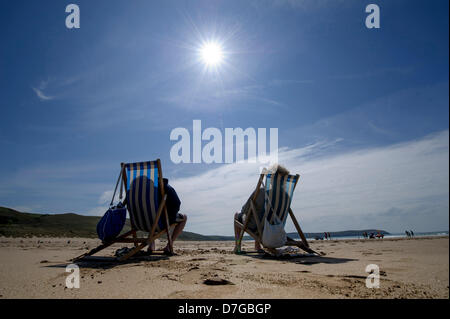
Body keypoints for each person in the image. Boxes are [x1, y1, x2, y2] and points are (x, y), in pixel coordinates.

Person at [234, 164, 290, 253]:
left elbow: (245, 209)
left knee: (238, 214)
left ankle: (238, 245)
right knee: (260, 215)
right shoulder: (286, 196)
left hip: (258, 228)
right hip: (274, 229)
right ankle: (257, 246)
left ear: (271, 178)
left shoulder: (261, 192)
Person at [148, 178, 187, 255]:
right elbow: (177, 203)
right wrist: (171, 215)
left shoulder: (141, 189)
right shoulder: (165, 187)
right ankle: (169, 246)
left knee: (151, 215)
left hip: (143, 221)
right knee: (184, 217)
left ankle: (151, 245)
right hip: (161, 221)